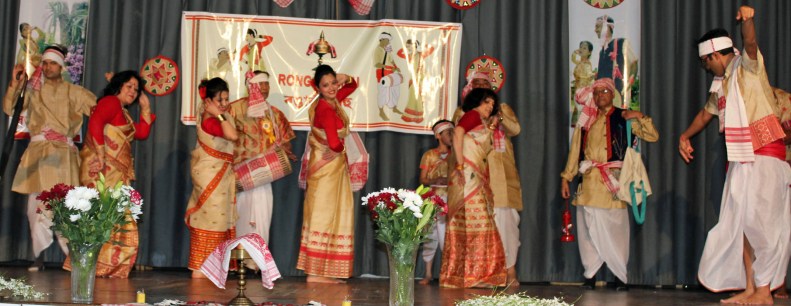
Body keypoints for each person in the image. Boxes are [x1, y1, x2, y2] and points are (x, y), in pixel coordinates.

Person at [680, 6, 791, 304]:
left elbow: (751, 43)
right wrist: (685, 136)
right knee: (741, 225)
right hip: (742, 160)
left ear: (715, 55)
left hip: (766, 156)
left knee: (762, 225)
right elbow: (706, 114)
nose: (706, 69)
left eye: (706, 63)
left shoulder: (747, 66)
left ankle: (765, 292)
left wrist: (749, 20)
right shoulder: (723, 83)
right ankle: (753, 287)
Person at [3, 45, 96, 271]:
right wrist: (15, 84)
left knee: (67, 206)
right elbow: (9, 109)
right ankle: (38, 258)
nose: (47, 67)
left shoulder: (74, 91)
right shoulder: (32, 91)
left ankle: (74, 259)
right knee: (35, 208)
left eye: (52, 63)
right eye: (44, 63)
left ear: (61, 66)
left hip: (63, 155)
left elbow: (97, 109)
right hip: (38, 154)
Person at [560, 78, 658, 291]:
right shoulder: (586, 121)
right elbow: (575, 150)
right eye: (596, 93)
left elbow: (652, 135)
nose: (600, 96)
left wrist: (639, 116)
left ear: (612, 94)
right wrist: (566, 178)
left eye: (604, 91)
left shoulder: (624, 116)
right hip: (589, 182)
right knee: (587, 230)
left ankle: (620, 276)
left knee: (616, 229)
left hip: (613, 182)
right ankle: (590, 275)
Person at [65, 71, 155, 278]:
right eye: (129, 86)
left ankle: (105, 266)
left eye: (136, 89)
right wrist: (101, 154)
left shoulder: (123, 113)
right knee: (98, 213)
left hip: (114, 173)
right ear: (118, 85)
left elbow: (141, 132)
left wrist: (146, 108)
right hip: (100, 169)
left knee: (114, 216)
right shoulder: (110, 102)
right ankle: (91, 265)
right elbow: (96, 122)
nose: (133, 91)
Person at [454, 72, 524, 284]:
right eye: (478, 85)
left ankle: (510, 271)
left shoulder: (503, 108)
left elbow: (515, 129)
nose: (483, 87)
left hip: (503, 176)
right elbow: (461, 136)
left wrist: (498, 116)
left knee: (508, 223)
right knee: (479, 226)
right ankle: (485, 273)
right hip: (477, 174)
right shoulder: (463, 111)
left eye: (487, 85)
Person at [296, 65, 358, 283]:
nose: (332, 87)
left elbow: (353, 84)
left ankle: (319, 272)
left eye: (333, 83)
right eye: (326, 85)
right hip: (327, 169)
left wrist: (344, 77)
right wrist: (339, 151)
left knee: (328, 214)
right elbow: (333, 142)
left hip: (328, 169)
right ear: (318, 88)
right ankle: (315, 274)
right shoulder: (326, 109)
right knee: (323, 215)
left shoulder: (331, 101)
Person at [440, 87, 507, 288]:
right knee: (477, 224)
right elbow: (458, 133)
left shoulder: (482, 122)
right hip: (467, 179)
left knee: (476, 224)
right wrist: (460, 164)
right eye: (487, 102)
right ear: (478, 101)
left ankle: (469, 275)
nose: (490, 107)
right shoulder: (473, 115)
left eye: (493, 105)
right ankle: (473, 275)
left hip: (474, 178)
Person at [228, 70, 295, 250]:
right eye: (260, 84)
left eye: (266, 84)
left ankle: (256, 263)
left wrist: (284, 149)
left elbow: (286, 142)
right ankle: (236, 261)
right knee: (238, 217)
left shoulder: (275, 114)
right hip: (239, 176)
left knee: (262, 219)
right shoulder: (233, 109)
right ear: (250, 86)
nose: (264, 88)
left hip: (264, 176)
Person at [184, 78, 239, 279]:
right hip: (210, 177)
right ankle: (200, 269)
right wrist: (220, 117)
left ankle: (211, 268)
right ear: (208, 101)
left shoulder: (217, 117)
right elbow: (232, 136)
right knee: (210, 221)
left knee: (218, 220)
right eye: (220, 100)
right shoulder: (210, 120)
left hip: (220, 176)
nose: (224, 104)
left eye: (226, 99)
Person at [417, 119, 453, 285]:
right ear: (438, 136)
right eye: (448, 133)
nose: (451, 136)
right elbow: (423, 179)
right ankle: (428, 273)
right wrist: (435, 179)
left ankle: (448, 273)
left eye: (453, 132)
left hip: (451, 199)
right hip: (433, 199)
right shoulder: (429, 155)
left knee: (448, 236)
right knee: (430, 236)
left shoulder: (457, 154)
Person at [594, 15, 638, 105]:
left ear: (607, 27)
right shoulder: (601, 52)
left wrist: (628, 84)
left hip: (618, 95)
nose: (595, 30)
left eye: (598, 27)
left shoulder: (622, 43)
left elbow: (634, 63)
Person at [397, 39, 435, 123]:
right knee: (412, 98)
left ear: (416, 46)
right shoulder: (409, 56)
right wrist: (405, 48)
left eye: (411, 47)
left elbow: (432, 49)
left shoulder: (421, 55)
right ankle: (411, 117)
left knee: (417, 98)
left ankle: (419, 117)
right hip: (412, 80)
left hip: (419, 80)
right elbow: (399, 53)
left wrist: (422, 45)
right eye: (408, 47)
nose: (409, 49)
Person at [373, 32, 402, 121]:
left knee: (395, 90)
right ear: (382, 39)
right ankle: (381, 111)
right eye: (387, 40)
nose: (388, 42)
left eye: (389, 40)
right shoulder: (377, 50)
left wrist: (396, 67)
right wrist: (389, 67)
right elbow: (377, 64)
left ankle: (394, 107)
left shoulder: (387, 49)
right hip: (382, 74)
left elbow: (392, 60)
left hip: (391, 73)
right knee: (382, 92)